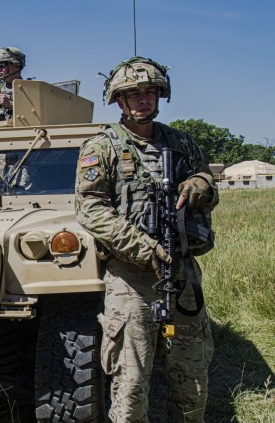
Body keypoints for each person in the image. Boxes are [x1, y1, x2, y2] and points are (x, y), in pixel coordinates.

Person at [74, 56, 218, 422]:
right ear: (119, 101)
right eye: (133, 94)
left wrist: (202, 184)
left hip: (183, 274)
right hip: (132, 279)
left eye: (149, 92)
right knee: (131, 385)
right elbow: (90, 209)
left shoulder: (182, 142)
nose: (143, 99)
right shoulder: (101, 148)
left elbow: (207, 182)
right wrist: (142, 246)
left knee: (192, 382)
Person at [0, 47, 26, 116]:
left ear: (16, 65)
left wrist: (10, 104)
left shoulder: (29, 89)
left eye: (2, 65)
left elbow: (36, 112)